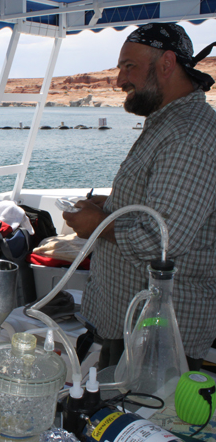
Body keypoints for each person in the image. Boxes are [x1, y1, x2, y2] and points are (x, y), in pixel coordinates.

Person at [63, 23, 216, 371]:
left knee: (139, 422)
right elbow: (156, 202)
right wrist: (109, 204)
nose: (119, 81)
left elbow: (163, 237)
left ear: (166, 63)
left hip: (158, 337)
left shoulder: (188, 135)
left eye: (128, 66)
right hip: (130, 322)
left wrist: (98, 225)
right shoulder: (167, 122)